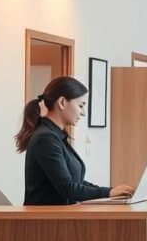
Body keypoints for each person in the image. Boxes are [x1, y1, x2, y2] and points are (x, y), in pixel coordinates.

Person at [15, 76, 134, 205]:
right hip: (46, 220)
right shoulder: (45, 139)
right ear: (62, 102)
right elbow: (68, 188)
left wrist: (111, 191)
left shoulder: (55, 135)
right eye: (80, 105)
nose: (83, 113)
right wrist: (109, 193)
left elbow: (75, 183)